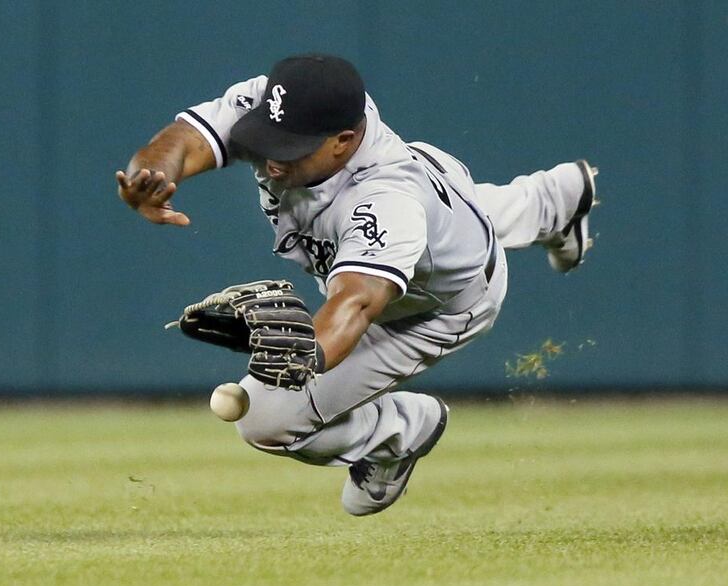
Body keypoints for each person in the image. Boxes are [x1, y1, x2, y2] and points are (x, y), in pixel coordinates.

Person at [116, 54, 598, 516]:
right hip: (440, 197)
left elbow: (357, 304)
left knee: (266, 419)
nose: (271, 161)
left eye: (288, 149)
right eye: (267, 138)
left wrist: (297, 353)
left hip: (434, 305)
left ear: (344, 141)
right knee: (470, 216)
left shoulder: (385, 202)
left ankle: (399, 431)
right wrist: (150, 177)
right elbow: (184, 141)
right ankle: (553, 200)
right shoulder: (282, 104)